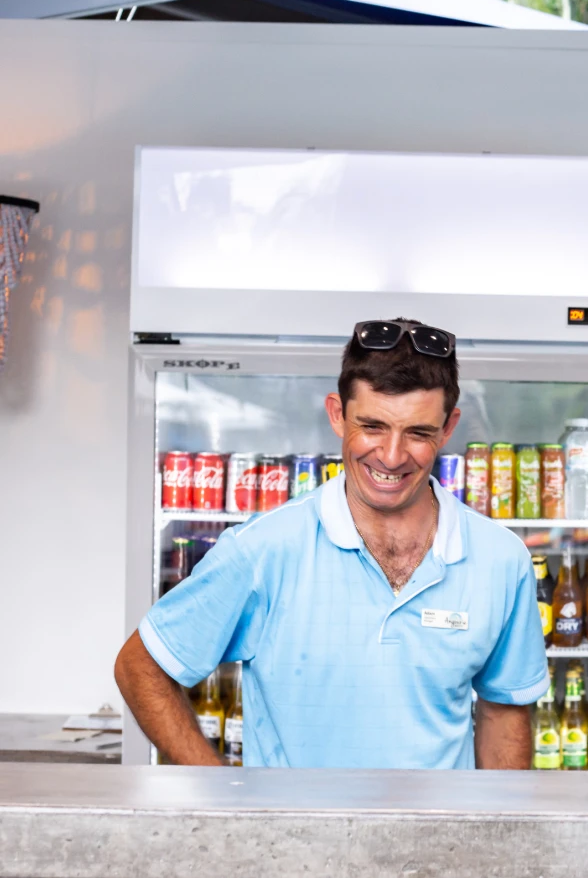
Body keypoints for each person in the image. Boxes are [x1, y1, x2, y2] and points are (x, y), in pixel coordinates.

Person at [115, 318, 548, 769]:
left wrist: (501, 834)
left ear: (447, 427)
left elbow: (504, 710)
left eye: (418, 433)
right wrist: (219, 793)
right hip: (294, 839)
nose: (392, 456)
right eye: (373, 426)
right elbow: (139, 667)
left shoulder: (501, 559)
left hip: (441, 840)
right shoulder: (263, 551)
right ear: (338, 415)